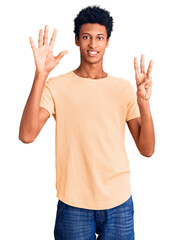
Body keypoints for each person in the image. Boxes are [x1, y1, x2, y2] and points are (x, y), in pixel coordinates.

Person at [19, 5, 155, 240]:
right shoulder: (57, 86)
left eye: (99, 38)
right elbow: (27, 135)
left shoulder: (122, 88)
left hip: (118, 202)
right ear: (76, 40)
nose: (93, 44)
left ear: (108, 41)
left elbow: (147, 150)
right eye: (86, 37)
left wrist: (143, 102)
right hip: (74, 203)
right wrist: (41, 75)